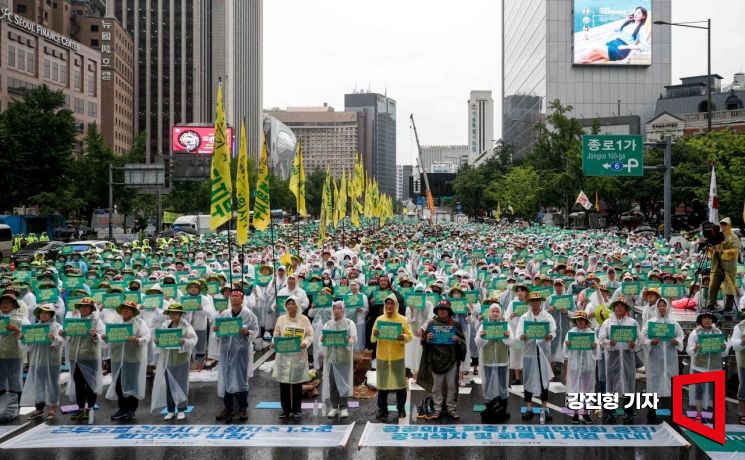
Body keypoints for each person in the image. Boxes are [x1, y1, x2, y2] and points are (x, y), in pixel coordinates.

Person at [214, 289, 259, 423]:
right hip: (226, 351)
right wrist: (216, 330)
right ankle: (228, 408)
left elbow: (255, 330)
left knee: (241, 379)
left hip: (241, 351)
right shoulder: (224, 314)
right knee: (227, 378)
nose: (234, 298)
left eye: (237, 296)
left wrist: (247, 332)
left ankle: (243, 408)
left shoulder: (248, 315)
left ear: (242, 298)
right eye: (232, 296)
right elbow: (217, 333)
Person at [417, 299, 466, 420]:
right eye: (440, 310)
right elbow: (423, 341)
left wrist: (458, 340)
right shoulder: (432, 324)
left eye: (445, 310)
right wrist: (427, 339)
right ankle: (437, 408)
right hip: (435, 359)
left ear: (449, 311)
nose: (442, 312)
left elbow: (463, 340)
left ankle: (451, 407)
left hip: (451, 359)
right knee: (437, 387)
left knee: (451, 386)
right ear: (437, 311)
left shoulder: (455, 324)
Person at [105, 300, 151, 421]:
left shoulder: (140, 323)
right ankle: (122, 408)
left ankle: (131, 410)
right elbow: (106, 340)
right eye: (124, 308)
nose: (126, 310)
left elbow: (147, 337)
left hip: (132, 359)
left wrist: (136, 339)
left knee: (132, 385)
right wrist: (104, 337)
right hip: (116, 359)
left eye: (129, 308)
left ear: (133, 311)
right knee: (118, 385)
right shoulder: (115, 324)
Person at [640, 297, 684, 424]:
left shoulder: (673, 324)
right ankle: (652, 411)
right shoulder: (651, 323)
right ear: (657, 308)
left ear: (668, 307)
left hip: (670, 359)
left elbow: (680, 336)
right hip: (655, 359)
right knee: (653, 383)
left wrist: (677, 341)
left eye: (664, 306)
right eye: (660, 306)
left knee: (670, 384)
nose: (662, 308)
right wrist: (650, 342)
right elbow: (642, 337)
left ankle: (669, 412)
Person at [151, 303, 197, 421]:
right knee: (169, 387)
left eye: (175, 313)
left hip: (181, 360)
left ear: (180, 314)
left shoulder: (186, 326)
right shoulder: (165, 325)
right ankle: (171, 410)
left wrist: (185, 341)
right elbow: (159, 339)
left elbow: (194, 339)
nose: (173, 315)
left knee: (181, 384)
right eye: (171, 313)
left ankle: (181, 410)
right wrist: (156, 341)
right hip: (167, 360)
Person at [371, 294, 414, 421]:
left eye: (392, 304)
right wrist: (375, 334)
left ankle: (401, 408)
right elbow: (372, 339)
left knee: (400, 384)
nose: (389, 306)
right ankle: (382, 409)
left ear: (396, 305)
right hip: (382, 356)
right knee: (382, 385)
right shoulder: (379, 319)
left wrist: (403, 337)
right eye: (387, 304)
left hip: (397, 356)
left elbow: (410, 336)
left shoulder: (402, 319)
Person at [517, 291, 556, 424]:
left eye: (538, 300)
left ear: (541, 302)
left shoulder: (547, 316)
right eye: (533, 301)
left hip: (544, 352)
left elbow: (553, 331)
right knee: (528, 379)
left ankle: (544, 408)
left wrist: (550, 335)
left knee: (544, 379)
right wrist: (522, 336)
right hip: (529, 352)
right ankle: (529, 408)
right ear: (529, 303)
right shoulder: (524, 317)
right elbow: (519, 333)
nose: (535, 303)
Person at [599, 296, 639, 424]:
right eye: (617, 306)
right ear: (614, 307)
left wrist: (634, 344)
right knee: (611, 383)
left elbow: (638, 338)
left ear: (626, 308)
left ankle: (629, 413)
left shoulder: (632, 322)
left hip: (628, 358)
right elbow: (602, 338)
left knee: (629, 383)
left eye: (622, 306)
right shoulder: (608, 323)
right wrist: (609, 343)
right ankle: (611, 412)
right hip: (612, 358)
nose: (619, 308)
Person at [272, 295, 313, 420]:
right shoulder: (281, 319)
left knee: (296, 385)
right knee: (283, 385)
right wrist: (274, 341)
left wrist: (305, 343)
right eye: (288, 304)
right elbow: (276, 333)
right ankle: (285, 410)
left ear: (297, 305)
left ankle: (296, 410)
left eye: (293, 304)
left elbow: (310, 334)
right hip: (283, 356)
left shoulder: (304, 319)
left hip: (298, 355)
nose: (290, 306)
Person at [64, 297, 104, 421]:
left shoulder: (96, 321)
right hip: (75, 357)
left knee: (90, 384)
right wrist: (65, 333)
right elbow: (69, 339)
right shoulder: (75, 321)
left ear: (91, 309)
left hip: (90, 357)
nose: (84, 309)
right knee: (78, 384)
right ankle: (81, 408)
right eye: (82, 306)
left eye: (86, 307)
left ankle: (90, 408)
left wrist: (95, 335)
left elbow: (103, 338)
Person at [21, 304, 64, 420]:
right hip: (37, 360)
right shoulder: (34, 328)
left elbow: (61, 343)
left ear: (51, 314)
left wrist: (53, 338)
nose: (43, 315)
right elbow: (29, 346)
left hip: (52, 361)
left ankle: (52, 407)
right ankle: (39, 408)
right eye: (41, 313)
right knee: (38, 384)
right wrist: (23, 338)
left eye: (46, 313)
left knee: (53, 384)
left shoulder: (58, 327)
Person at [686, 311, 730, 424]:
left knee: (712, 394)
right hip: (699, 367)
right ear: (700, 320)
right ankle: (698, 414)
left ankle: (709, 415)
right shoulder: (695, 333)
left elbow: (724, 351)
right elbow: (689, 349)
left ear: (712, 320)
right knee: (698, 393)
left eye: (709, 318)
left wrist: (724, 347)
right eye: (704, 318)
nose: (707, 320)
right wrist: (695, 348)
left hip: (715, 368)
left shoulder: (718, 332)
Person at [475, 302, 513, 422]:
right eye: (493, 311)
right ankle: (490, 411)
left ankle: (503, 411)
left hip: (502, 361)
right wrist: (481, 336)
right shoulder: (484, 326)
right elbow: (478, 343)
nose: (495, 313)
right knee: (487, 386)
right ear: (490, 313)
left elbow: (512, 342)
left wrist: (507, 336)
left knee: (502, 386)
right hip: (488, 361)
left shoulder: (505, 326)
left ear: (500, 312)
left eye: (497, 311)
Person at [320, 301, 357, 418]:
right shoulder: (327, 325)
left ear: (343, 310)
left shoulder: (349, 324)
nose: (336, 311)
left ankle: (344, 406)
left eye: (339, 308)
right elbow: (322, 341)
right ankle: (334, 406)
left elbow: (354, 340)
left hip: (343, 358)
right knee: (333, 384)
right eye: (334, 308)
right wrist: (322, 340)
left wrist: (348, 341)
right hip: (331, 359)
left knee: (343, 383)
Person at [576, 6, 650, 64]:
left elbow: (643, 46)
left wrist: (626, 46)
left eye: (639, 13)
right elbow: (616, 29)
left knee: (593, 46)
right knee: (588, 56)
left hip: (620, 50)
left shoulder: (641, 28)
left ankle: (574, 65)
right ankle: (577, 63)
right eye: (635, 12)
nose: (636, 14)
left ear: (643, 16)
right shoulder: (629, 22)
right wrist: (625, 19)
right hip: (613, 44)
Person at [562, 311, 598, 424]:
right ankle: (576, 413)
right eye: (578, 320)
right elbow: (565, 353)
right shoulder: (571, 333)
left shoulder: (591, 333)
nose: (580, 321)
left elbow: (597, 352)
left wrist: (595, 347)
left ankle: (586, 413)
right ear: (575, 321)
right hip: (575, 366)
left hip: (588, 366)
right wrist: (567, 346)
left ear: (586, 321)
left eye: (582, 320)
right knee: (574, 389)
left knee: (588, 390)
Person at [705, 217, 740, 314]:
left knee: (729, 286)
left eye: (725, 224)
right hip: (717, 265)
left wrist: (721, 251)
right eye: (722, 224)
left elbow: (734, 251)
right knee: (713, 286)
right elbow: (711, 251)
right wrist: (711, 247)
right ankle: (711, 305)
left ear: (729, 225)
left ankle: (728, 307)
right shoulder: (717, 236)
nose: (723, 226)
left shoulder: (734, 237)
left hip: (729, 267)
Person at [0, 293, 29, 405]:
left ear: (14, 305)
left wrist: (17, 330)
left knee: (14, 380)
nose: (4, 305)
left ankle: (15, 406)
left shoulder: (22, 319)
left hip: (14, 354)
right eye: (2, 303)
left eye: (7, 303)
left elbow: (29, 336)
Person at [730, 314, 745, 425]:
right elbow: (734, 345)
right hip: (744, 362)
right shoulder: (739, 327)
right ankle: (742, 413)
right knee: (744, 387)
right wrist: (742, 342)